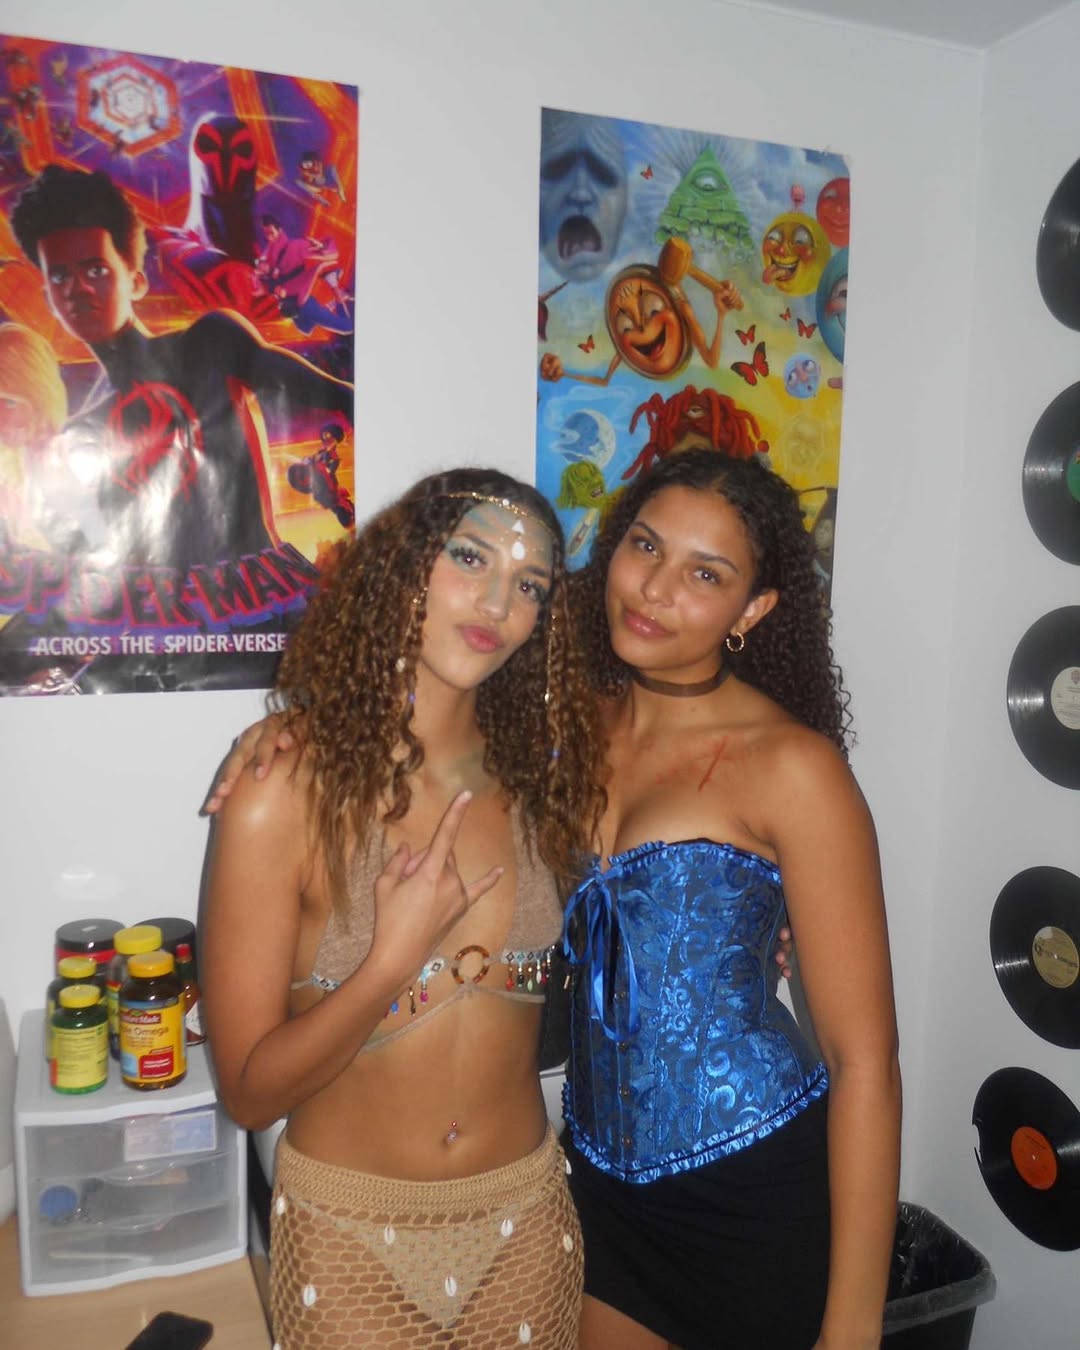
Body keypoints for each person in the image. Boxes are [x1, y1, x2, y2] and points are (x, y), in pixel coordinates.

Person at [201, 467, 605, 1349]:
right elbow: (248, 1094)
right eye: (471, 558)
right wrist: (390, 961)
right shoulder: (285, 790)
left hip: (526, 1226)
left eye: (530, 585)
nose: (497, 602)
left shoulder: (549, 778)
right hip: (348, 1240)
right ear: (403, 566)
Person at [562, 450, 899, 1350]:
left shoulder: (794, 768)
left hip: (753, 1195)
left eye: (705, 574)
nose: (654, 588)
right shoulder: (569, 722)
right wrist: (285, 741)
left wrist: (853, 1329)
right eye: (645, 546)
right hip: (598, 1185)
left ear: (752, 610)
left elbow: (864, 1060)